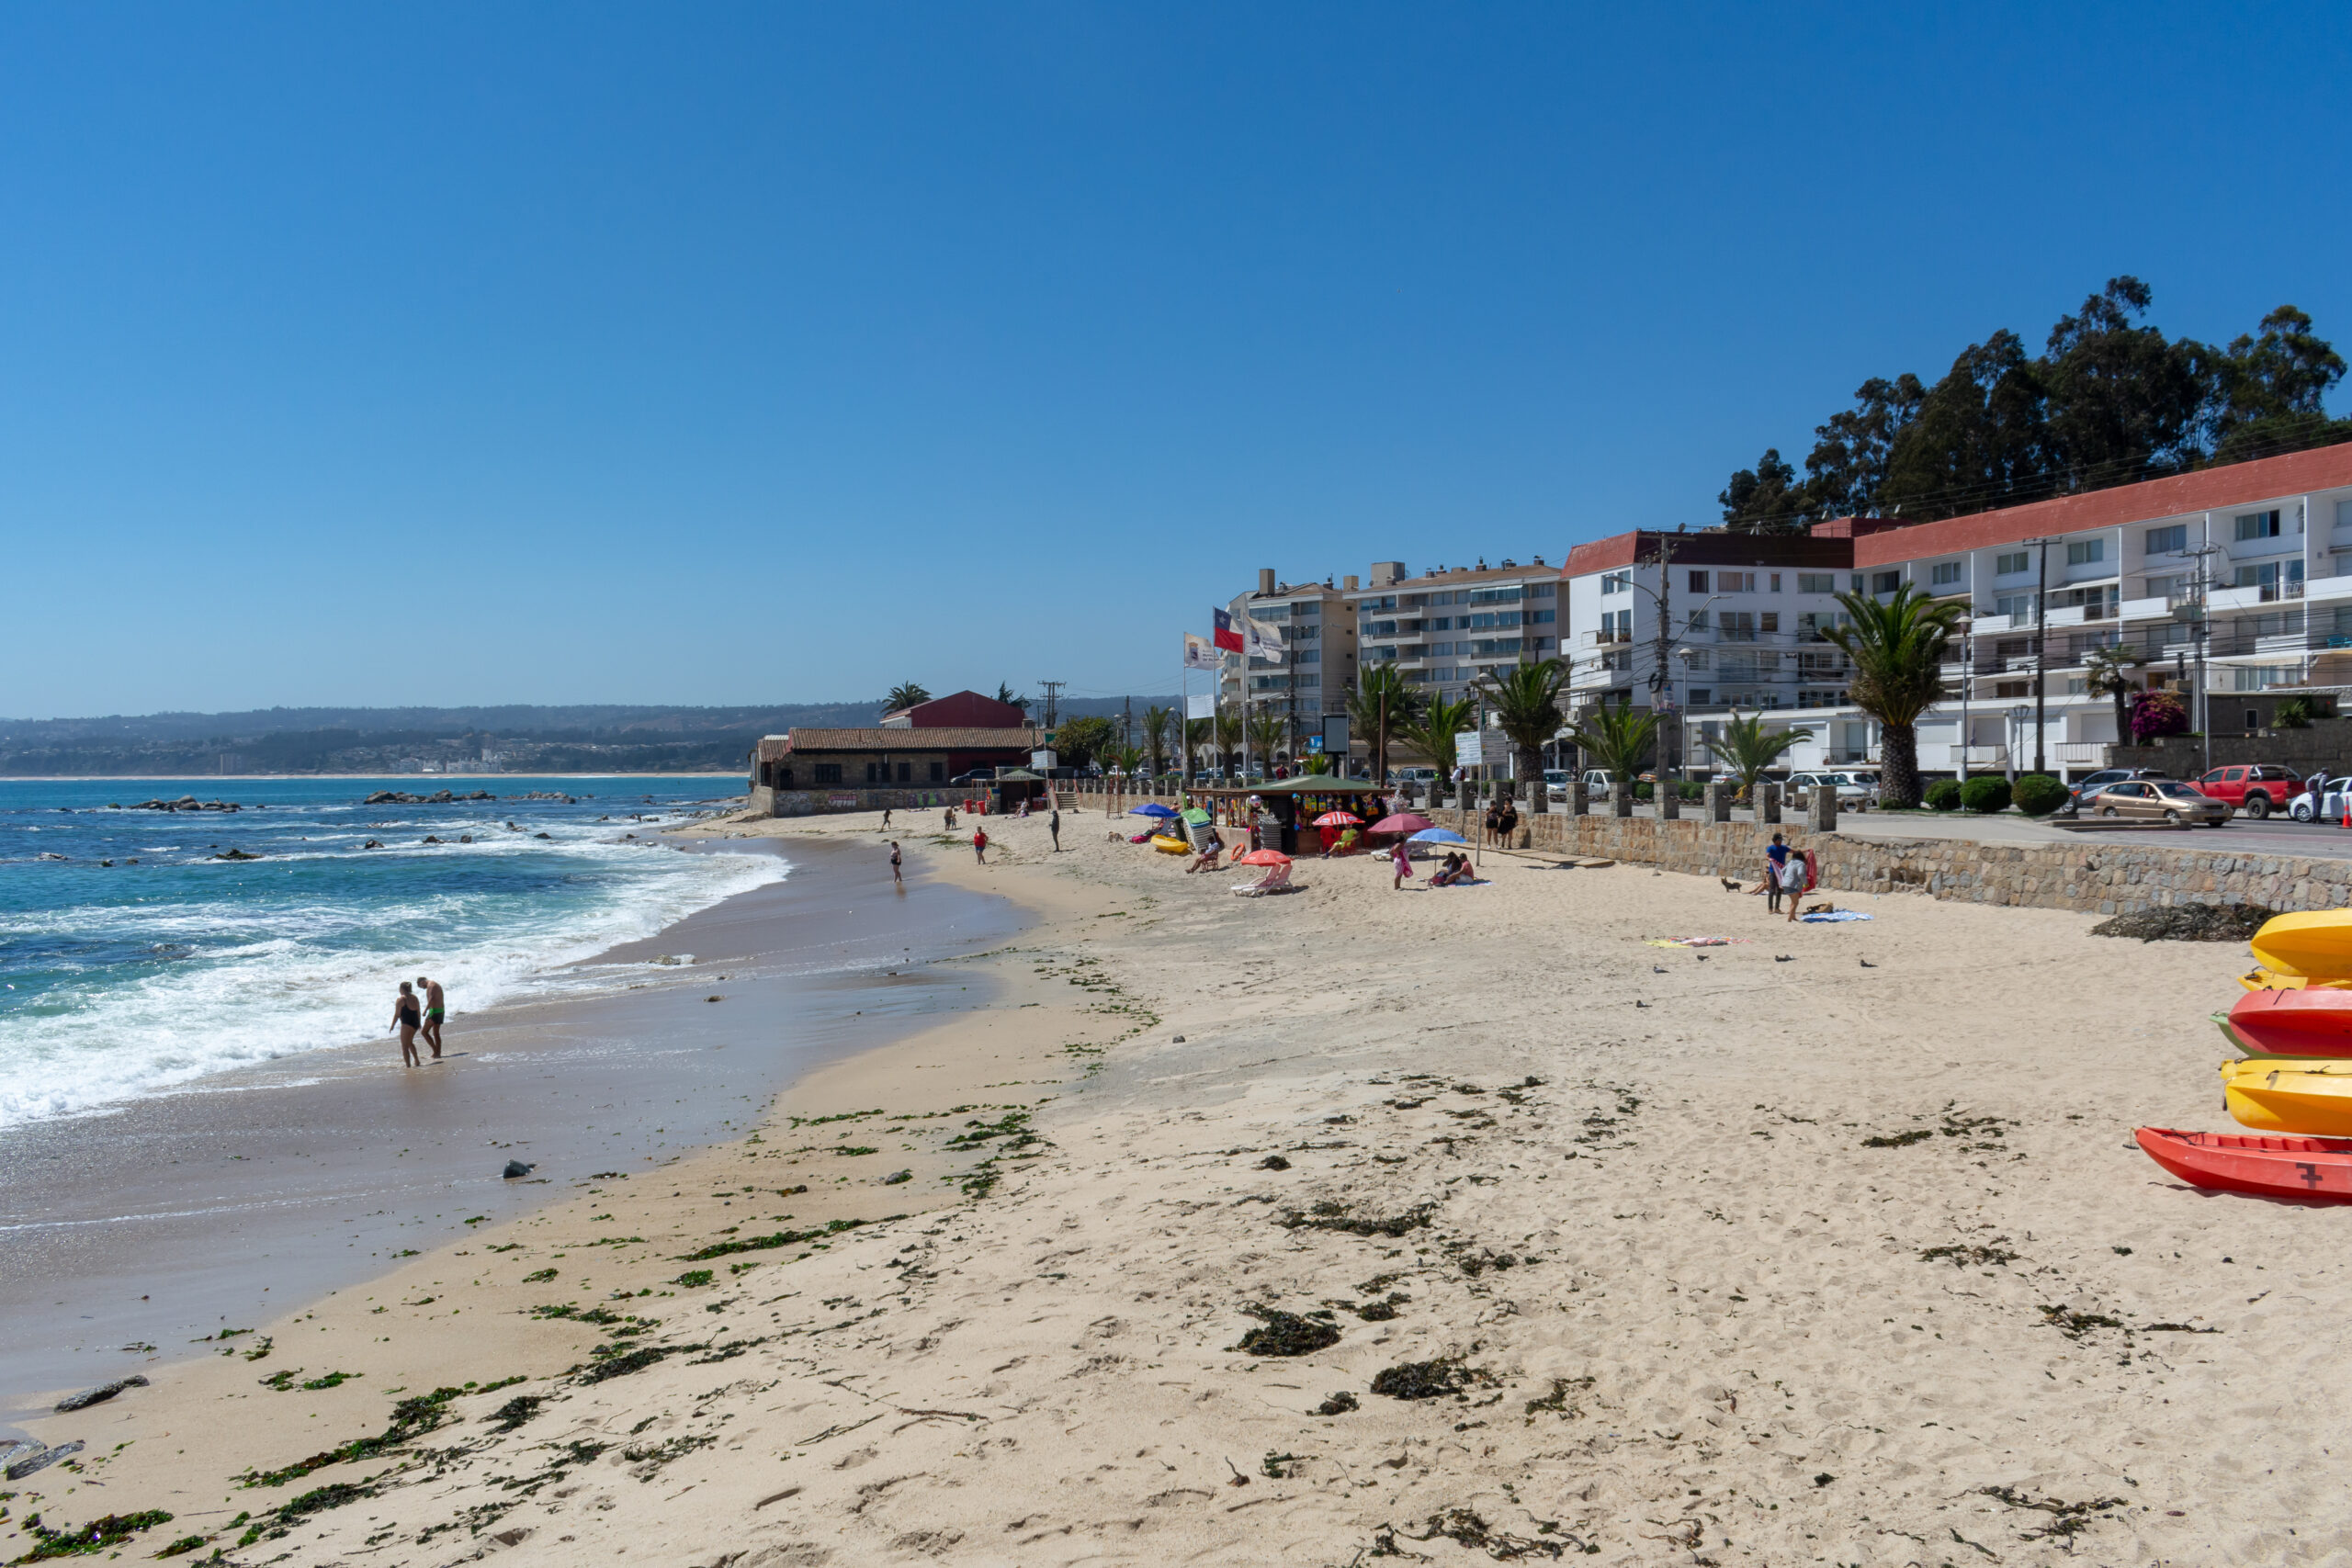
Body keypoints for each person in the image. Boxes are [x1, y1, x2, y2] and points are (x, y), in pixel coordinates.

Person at [390, 981, 422, 1068]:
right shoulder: (415, 997)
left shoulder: (401, 1000)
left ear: (402, 989)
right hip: (415, 1023)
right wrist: (419, 1023)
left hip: (406, 1024)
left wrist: (392, 1025)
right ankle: (417, 1060)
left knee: (404, 1046)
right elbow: (418, 1011)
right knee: (410, 1042)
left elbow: (397, 1015)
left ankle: (408, 1066)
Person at [415, 975, 446, 1058]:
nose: (423, 988)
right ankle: (437, 1053)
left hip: (434, 1012)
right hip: (440, 1010)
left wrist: (425, 1011)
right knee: (436, 1033)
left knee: (424, 1032)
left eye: (421, 986)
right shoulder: (434, 984)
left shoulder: (431, 985)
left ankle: (436, 1051)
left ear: (422, 982)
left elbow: (431, 999)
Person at [1763, 832, 1791, 913]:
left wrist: (1806, 851)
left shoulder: (1784, 848)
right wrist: (1769, 859)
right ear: (1775, 840)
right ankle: (1770, 908)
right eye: (1779, 840)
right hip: (1773, 871)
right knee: (1772, 890)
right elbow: (1767, 855)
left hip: (1781, 871)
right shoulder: (1771, 848)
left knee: (1779, 890)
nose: (1781, 842)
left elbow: (1794, 851)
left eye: (1781, 840)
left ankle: (1777, 908)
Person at [1781, 844, 1809, 922]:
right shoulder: (1801, 864)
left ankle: (1793, 917)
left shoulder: (1790, 862)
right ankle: (1789, 919)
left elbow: (1782, 871)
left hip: (1785, 884)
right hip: (1792, 885)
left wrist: (1785, 879)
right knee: (1795, 903)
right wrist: (1805, 882)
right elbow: (1800, 874)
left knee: (1793, 902)